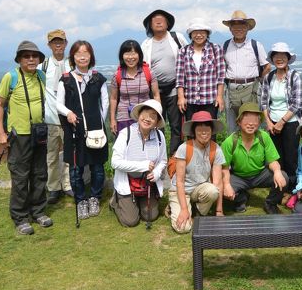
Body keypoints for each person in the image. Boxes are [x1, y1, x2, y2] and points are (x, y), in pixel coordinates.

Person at [0, 41, 53, 235]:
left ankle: (38, 211)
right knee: (20, 175)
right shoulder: (10, 77)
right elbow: (0, 105)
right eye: (26, 56)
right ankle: (20, 217)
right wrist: (1, 133)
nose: (31, 59)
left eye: (34, 56)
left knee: (40, 172)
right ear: (19, 59)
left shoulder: (41, 76)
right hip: (19, 135)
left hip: (39, 132)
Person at [57, 40, 108, 220]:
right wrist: (69, 113)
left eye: (86, 52)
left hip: (96, 130)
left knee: (97, 166)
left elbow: (105, 103)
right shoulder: (66, 79)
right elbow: (58, 104)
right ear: (73, 57)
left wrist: (99, 122)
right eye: (78, 53)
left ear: (91, 56)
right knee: (76, 168)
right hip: (74, 130)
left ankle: (95, 197)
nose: (82, 56)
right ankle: (80, 200)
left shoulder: (98, 78)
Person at [220, 102, 288, 214]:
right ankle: (241, 198)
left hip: (260, 175)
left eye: (255, 120)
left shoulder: (263, 137)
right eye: (246, 120)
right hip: (239, 177)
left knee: (283, 177)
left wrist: (277, 171)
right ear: (239, 122)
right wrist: (227, 185)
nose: (251, 124)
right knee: (221, 187)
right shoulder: (230, 141)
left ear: (259, 123)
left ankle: (270, 203)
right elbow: (225, 168)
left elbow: (272, 160)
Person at [110, 99, 167, 227]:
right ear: (139, 115)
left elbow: (163, 160)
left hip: (147, 184)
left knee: (150, 216)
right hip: (128, 183)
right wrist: (143, 166)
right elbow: (115, 162)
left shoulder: (159, 136)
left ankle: (139, 201)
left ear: (157, 122)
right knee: (130, 221)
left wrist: (157, 173)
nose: (148, 118)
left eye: (153, 116)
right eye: (145, 113)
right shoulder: (126, 133)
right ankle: (115, 202)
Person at [258, 42, 302, 192]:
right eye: (276, 56)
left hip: (291, 123)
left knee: (291, 158)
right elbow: (264, 101)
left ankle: (291, 189)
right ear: (272, 59)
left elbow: (298, 103)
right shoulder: (269, 77)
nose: (279, 58)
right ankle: (279, 189)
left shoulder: (295, 77)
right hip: (272, 123)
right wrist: (268, 122)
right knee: (276, 158)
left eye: (283, 56)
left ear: (288, 58)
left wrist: (281, 122)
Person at [168, 111, 225, 233]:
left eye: (207, 129)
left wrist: (219, 211)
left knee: (213, 190)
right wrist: (183, 209)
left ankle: (197, 213)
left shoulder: (216, 149)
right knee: (182, 228)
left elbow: (218, 182)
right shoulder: (184, 148)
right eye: (199, 129)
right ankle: (180, 207)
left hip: (200, 189)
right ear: (194, 131)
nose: (203, 132)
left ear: (211, 130)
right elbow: (179, 181)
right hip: (180, 190)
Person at [141, 9, 188, 155]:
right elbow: (143, 67)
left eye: (162, 19)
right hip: (155, 92)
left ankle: (174, 157)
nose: (158, 21)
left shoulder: (176, 38)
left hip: (175, 89)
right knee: (156, 124)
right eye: (155, 19)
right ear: (150, 25)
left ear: (168, 23)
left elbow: (188, 55)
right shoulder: (146, 44)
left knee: (176, 126)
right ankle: (158, 156)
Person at [221, 10, 270, 132]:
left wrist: (258, 79)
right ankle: (234, 149)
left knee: (251, 124)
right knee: (232, 126)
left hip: (251, 88)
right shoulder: (226, 45)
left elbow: (267, 66)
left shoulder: (255, 45)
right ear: (230, 29)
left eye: (242, 26)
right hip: (231, 89)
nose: (238, 29)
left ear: (247, 28)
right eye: (235, 26)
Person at [39, 29, 73, 204]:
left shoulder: (72, 64)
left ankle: (67, 185)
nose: (58, 44)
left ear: (66, 43)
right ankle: (53, 187)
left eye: (61, 41)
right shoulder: (42, 66)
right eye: (54, 42)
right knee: (51, 155)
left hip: (69, 118)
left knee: (69, 154)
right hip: (51, 119)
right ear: (49, 45)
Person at [176, 18, 226, 121]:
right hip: (190, 99)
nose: (198, 35)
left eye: (202, 32)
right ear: (191, 34)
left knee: (210, 129)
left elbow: (220, 76)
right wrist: (181, 97)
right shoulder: (183, 51)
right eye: (195, 32)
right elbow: (180, 77)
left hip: (210, 99)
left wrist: (220, 96)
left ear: (207, 34)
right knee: (191, 129)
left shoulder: (215, 49)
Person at [109, 40, 160, 135]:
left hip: (146, 116)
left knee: (146, 146)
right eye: (127, 54)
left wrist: (157, 116)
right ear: (122, 56)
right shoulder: (117, 75)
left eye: (133, 54)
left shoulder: (148, 72)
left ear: (139, 55)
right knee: (125, 147)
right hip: (124, 117)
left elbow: (156, 95)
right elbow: (113, 98)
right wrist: (112, 120)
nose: (130, 57)